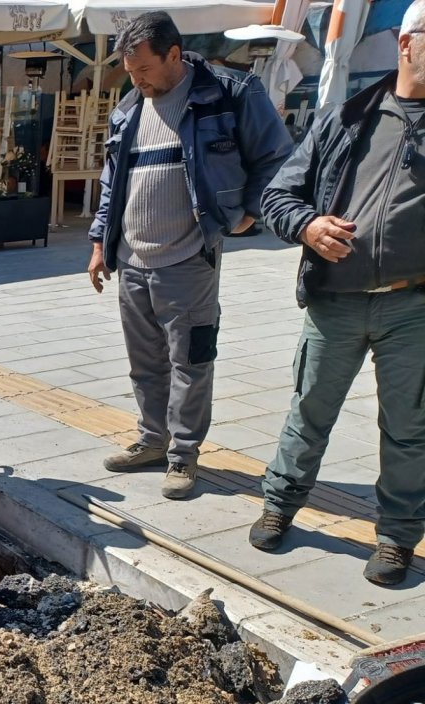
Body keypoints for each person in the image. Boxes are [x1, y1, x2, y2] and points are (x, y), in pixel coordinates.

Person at [250, 0, 425, 587]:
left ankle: (397, 537)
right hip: (337, 300)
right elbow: (276, 195)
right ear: (407, 45)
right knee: (310, 411)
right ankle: (279, 504)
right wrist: (308, 226)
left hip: (413, 305)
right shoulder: (348, 117)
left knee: (409, 425)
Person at [88, 11, 292, 499]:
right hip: (132, 259)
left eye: (142, 69)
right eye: (129, 71)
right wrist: (100, 242)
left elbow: (278, 159)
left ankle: (183, 455)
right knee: (145, 363)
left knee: (190, 361)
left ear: (174, 55)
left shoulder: (230, 94)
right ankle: (152, 440)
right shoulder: (129, 109)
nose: (135, 80)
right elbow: (111, 182)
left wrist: (248, 215)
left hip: (189, 258)